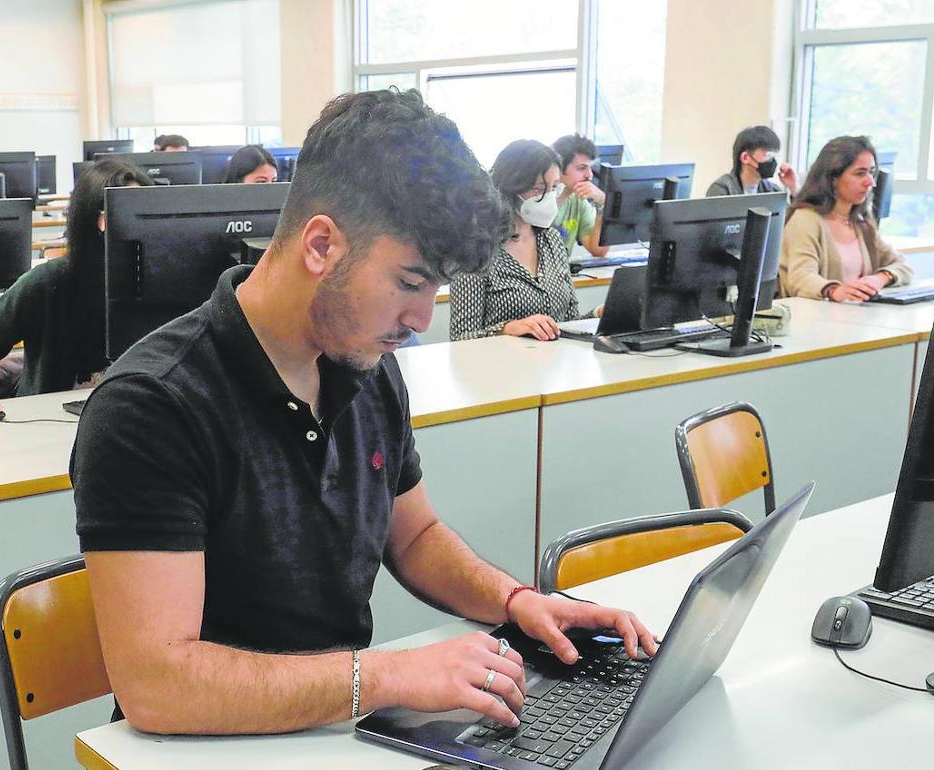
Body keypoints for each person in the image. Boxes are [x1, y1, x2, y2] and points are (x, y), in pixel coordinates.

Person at [71, 88, 657, 736]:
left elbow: (414, 537)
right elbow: (160, 684)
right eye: (410, 283)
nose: (422, 319)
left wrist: (519, 603)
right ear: (321, 245)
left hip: (331, 732)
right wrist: (390, 676)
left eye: (435, 288)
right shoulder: (151, 407)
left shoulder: (365, 366)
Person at [0, 159, 154, 422]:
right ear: (95, 219)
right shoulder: (51, 281)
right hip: (52, 425)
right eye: (121, 211)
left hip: (141, 424)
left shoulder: (168, 285)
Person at [449, 140, 581, 341]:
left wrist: (599, 316)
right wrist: (507, 329)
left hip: (554, 365)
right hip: (501, 367)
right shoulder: (476, 247)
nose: (548, 198)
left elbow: (569, 323)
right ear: (511, 188)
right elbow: (461, 337)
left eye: (554, 188)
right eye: (539, 189)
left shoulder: (551, 240)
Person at [779, 135, 913, 301]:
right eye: (860, 174)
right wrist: (834, 290)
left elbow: (903, 266)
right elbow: (800, 277)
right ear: (832, 178)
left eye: (871, 172)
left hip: (854, 317)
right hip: (815, 320)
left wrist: (880, 278)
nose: (870, 182)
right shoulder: (806, 219)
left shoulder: (861, 220)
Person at [551, 134, 607, 257]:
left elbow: (598, 250)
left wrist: (602, 204)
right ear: (559, 168)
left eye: (590, 168)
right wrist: (563, 194)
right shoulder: (536, 199)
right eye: (582, 168)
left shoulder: (578, 199)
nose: (589, 175)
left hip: (562, 274)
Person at [706, 125, 798, 198]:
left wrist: (794, 187)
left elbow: (792, 220)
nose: (773, 161)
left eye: (774, 156)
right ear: (745, 158)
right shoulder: (721, 190)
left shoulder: (772, 191)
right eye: (768, 155)